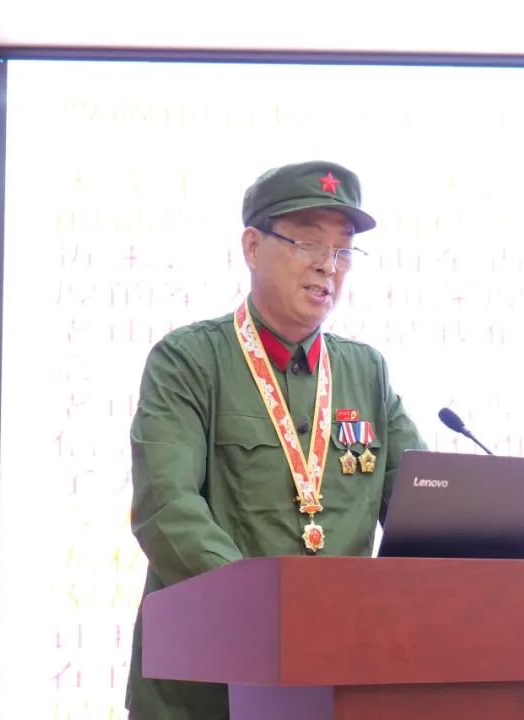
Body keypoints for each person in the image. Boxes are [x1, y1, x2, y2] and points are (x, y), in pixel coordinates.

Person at [125, 161, 426, 719]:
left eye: (343, 251)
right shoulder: (188, 360)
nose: (327, 266)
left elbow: (424, 507)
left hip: (339, 679)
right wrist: (268, 612)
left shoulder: (366, 372)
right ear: (252, 246)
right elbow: (166, 508)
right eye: (307, 243)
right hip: (210, 686)